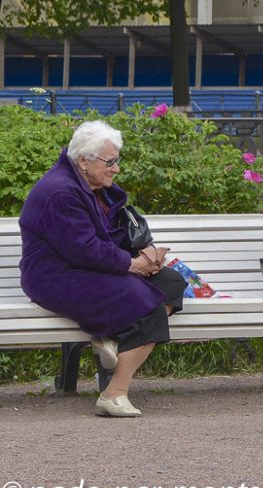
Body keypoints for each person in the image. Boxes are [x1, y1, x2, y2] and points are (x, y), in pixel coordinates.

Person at [19, 120, 186, 418]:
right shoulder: (61, 192)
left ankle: (111, 337)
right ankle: (114, 393)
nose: (116, 168)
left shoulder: (92, 186)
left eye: (116, 161)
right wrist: (132, 265)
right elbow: (84, 249)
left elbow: (106, 238)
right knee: (146, 303)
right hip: (57, 276)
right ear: (84, 160)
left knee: (170, 282)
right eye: (111, 162)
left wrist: (145, 255)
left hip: (88, 267)